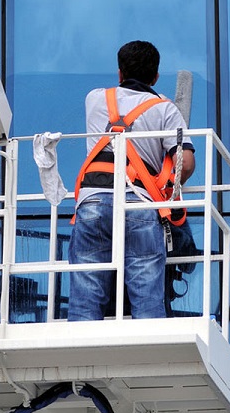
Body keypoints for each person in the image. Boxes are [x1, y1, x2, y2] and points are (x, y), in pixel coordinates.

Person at [68, 40, 196, 321]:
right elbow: (185, 163)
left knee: (85, 302)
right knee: (148, 302)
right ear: (156, 77)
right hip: (138, 205)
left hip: (92, 204)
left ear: (119, 73)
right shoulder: (164, 108)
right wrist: (169, 186)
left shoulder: (95, 99)